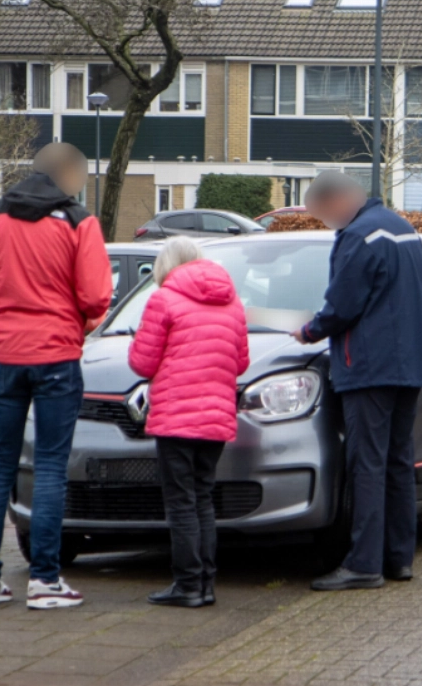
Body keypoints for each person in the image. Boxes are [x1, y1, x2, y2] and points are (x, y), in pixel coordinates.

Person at [0, 143, 112, 609]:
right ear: (71, 176)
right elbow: (97, 295)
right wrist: (76, 324)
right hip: (57, 356)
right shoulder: (79, 220)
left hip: (6, 357)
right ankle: (44, 580)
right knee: (52, 467)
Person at [291, 172, 422, 591]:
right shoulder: (401, 228)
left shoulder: (359, 236)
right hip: (411, 363)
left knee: (368, 463)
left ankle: (363, 564)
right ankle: (398, 558)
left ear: (339, 200)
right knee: (397, 460)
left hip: (371, 365)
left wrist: (308, 331)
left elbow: (343, 304)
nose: (327, 222)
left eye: (324, 214)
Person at [128, 238, 250, 608]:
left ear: (167, 265)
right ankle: (206, 584)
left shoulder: (163, 299)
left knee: (180, 502)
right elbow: (240, 362)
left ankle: (186, 585)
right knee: (202, 499)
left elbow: (142, 364)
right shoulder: (232, 302)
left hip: (176, 417)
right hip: (215, 417)